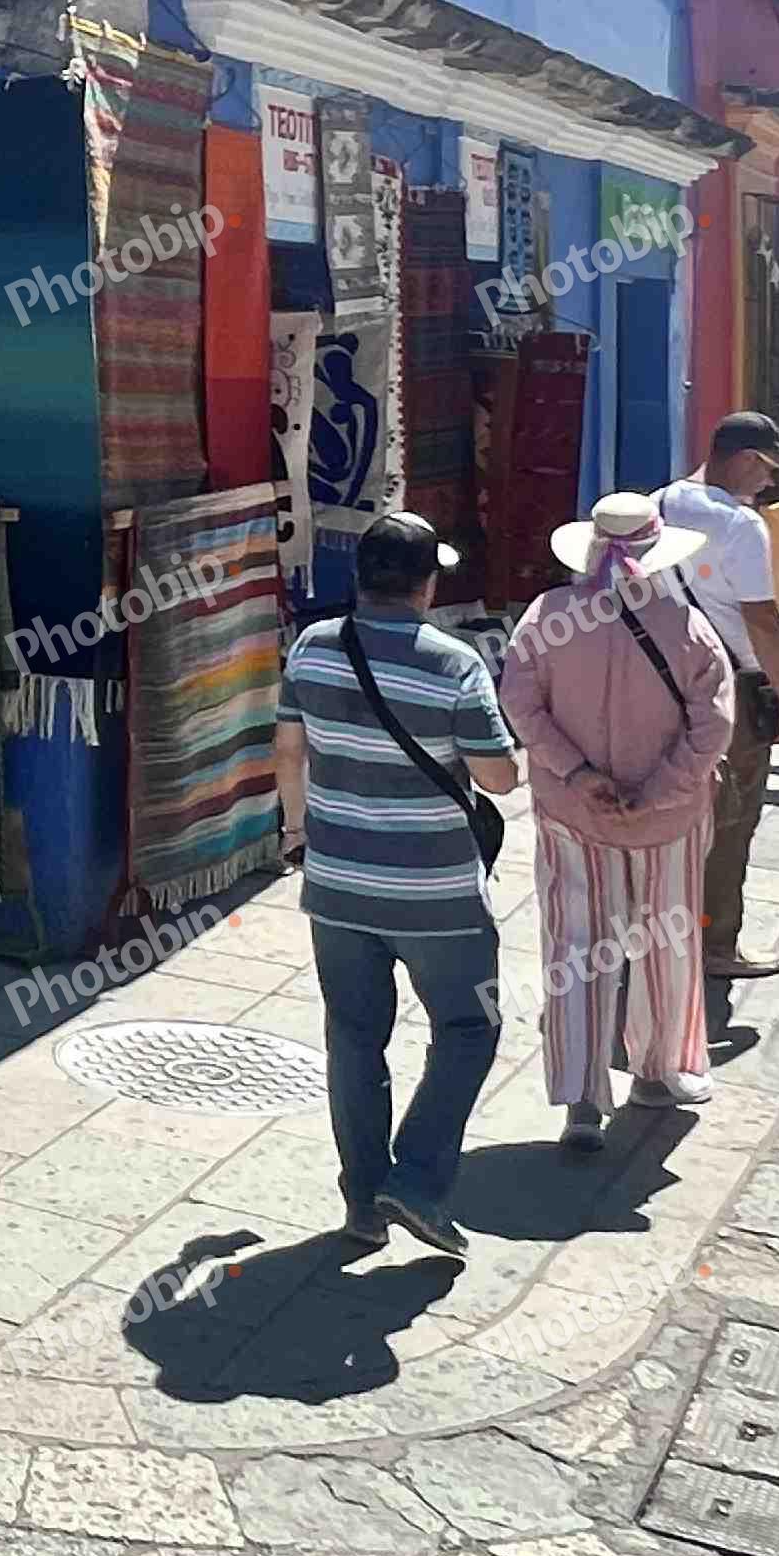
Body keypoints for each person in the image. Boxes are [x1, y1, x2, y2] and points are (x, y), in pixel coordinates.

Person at [276, 509, 523, 1259]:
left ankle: (363, 1203)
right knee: (469, 1027)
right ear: (426, 585)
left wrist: (295, 833)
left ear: (360, 577)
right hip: (435, 894)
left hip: (336, 885)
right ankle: (413, 1178)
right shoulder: (455, 664)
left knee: (354, 1039)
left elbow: (288, 751)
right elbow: (498, 779)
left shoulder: (312, 648)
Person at [499, 492, 735, 1149]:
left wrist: (576, 773)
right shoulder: (687, 627)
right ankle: (657, 1070)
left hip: (573, 813)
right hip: (668, 819)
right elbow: (712, 727)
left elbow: (519, 704)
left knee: (575, 948)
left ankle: (580, 1097)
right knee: (666, 942)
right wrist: (658, 789)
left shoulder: (546, 618)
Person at [656, 414, 779, 983]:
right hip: (726, 689)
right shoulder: (740, 525)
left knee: (666, 814)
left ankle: (658, 935)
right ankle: (714, 942)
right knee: (730, 819)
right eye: (769, 469)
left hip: (661, 683)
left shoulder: (656, 505)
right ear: (745, 459)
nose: (770, 483)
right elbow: (763, 622)